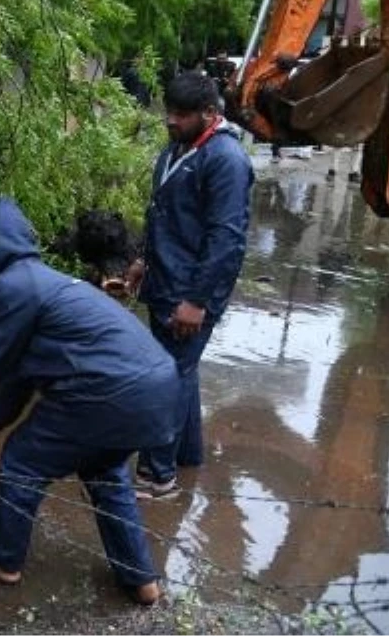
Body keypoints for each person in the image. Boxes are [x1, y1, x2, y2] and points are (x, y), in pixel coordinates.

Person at [0, 197, 179, 606]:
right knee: (106, 472)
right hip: (159, 390)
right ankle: (142, 581)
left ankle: (2, 562)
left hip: (108, 392)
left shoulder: (13, 285)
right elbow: (17, 381)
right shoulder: (45, 282)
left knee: (24, 458)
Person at [125, 71, 253, 499]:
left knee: (166, 376)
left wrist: (197, 301)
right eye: (169, 112)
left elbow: (226, 239)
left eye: (181, 114)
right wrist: (143, 259)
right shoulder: (177, 148)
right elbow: (160, 209)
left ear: (210, 114)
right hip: (165, 281)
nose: (170, 121)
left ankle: (157, 476)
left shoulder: (225, 161)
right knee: (180, 371)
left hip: (190, 292)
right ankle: (187, 454)